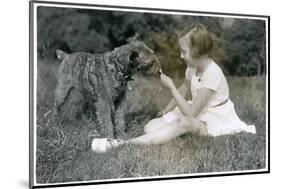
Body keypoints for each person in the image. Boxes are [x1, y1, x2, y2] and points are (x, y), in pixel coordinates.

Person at [91, 23, 256, 153]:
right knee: (149, 127)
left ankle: (119, 145)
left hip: (214, 119)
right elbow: (184, 90)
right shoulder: (192, 68)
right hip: (197, 111)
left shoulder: (213, 74)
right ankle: (176, 131)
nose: (181, 56)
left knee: (185, 121)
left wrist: (171, 87)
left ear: (197, 51)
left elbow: (191, 113)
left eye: (184, 52)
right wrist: (165, 111)